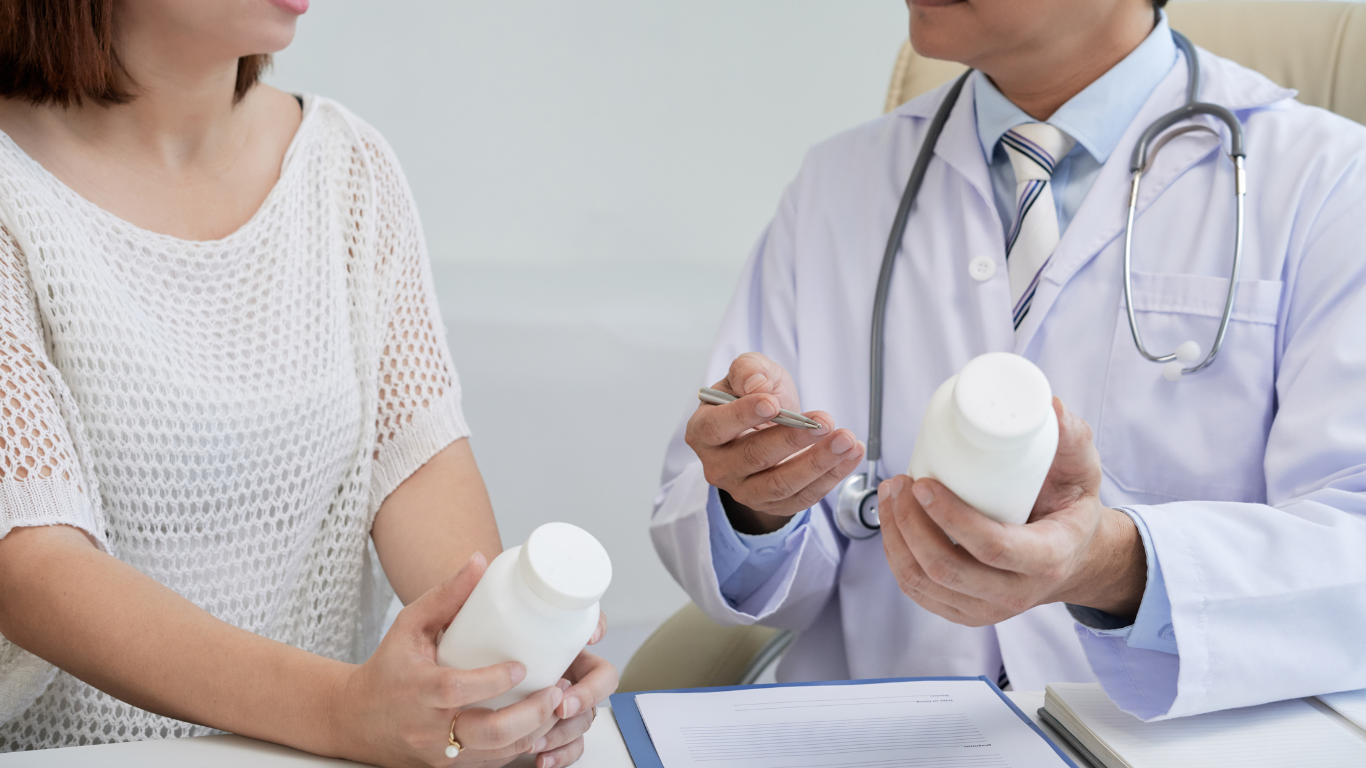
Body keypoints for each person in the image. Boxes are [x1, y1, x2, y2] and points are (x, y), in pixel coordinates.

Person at [652, 0, 1366, 721]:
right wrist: (755, 505)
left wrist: (1116, 566)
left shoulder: (1329, 184)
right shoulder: (837, 184)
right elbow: (724, 534)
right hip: (875, 737)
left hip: (1161, 744)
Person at [0, 0, 615, 763]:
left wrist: (495, 681)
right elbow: (29, 566)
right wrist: (342, 709)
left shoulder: (346, 163)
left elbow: (416, 466)